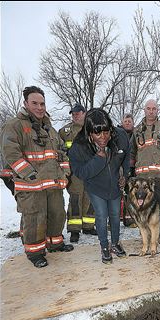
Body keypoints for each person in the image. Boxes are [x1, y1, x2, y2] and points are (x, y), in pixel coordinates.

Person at [0, 85, 73, 268]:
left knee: (57, 215)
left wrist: (64, 172)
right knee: (35, 219)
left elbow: (62, 152)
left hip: (53, 184)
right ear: (26, 103)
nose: (40, 107)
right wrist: (29, 174)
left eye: (42, 103)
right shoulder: (14, 125)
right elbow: (10, 154)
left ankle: (55, 243)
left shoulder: (49, 128)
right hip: (30, 186)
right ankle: (35, 253)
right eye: (35, 103)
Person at [68, 108, 130, 264]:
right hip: (95, 187)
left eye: (106, 132)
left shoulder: (120, 136)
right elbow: (80, 172)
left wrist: (125, 176)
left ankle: (115, 244)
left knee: (115, 216)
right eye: (98, 134)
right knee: (102, 216)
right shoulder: (79, 145)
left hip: (115, 185)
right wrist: (98, 159)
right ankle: (104, 247)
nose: (103, 137)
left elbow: (126, 156)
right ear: (89, 133)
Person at [59, 103, 96, 243]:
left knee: (90, 199)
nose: (75, 115)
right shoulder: (64, 131)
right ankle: (74, 230)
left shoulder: (92, 129)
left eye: (78, 112)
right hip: (74, 172)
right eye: (73, 113)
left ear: (84, 113)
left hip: (91, 171)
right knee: (75, 199)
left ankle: (88, 226)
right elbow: (60, 151)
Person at [130, 99, 160, 190]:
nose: (151, 111)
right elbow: (132, 151)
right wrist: (130, 167)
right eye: (148, 109)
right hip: (142, 179)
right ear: (144, 110)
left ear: (157, 110)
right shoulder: (137, 130)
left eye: (154, 109)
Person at [118, 113, 137, 228]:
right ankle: (114, 219)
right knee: (117, 194)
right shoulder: (116, 134)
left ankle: (130, 219)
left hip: (134, 168)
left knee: (131, 193)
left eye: (130, 121)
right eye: (125, 121)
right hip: (119, 168)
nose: (128, 123)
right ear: (122, 123)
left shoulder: (137, 134)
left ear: (133, 123)